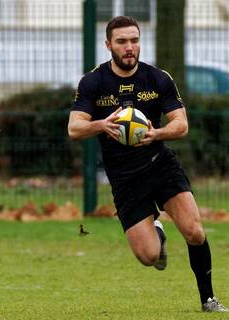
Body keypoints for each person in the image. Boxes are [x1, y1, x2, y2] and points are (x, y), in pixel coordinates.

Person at [68, 16, 228, 312]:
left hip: (160, 164)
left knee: (194, 230)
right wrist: (101, 125)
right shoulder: (93, 82)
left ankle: (208, 299)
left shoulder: (158, 79)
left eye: (134, 40)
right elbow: (74, 128)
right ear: (108, 45)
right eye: (122, 41)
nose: (129, 47)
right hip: (125, 178)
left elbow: (181, 125)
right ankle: (157, 232)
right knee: (149, 256)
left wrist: (157, 133)